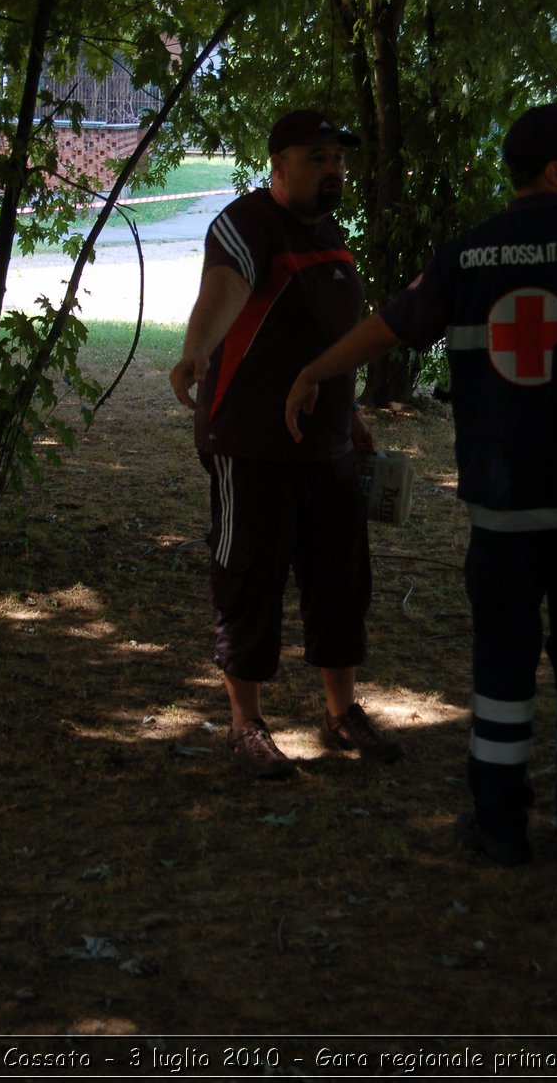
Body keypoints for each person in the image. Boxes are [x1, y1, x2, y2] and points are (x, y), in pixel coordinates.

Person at [286, 103, 557, 863]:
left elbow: (391, 324)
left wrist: (316, 369)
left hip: (505, 513)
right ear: (555, 170)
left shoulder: (465, 255)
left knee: (502, 672)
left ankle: (499, 827)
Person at [169, 109, 401, 779]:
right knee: (249, 578)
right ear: (278, 164)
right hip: (250, 442)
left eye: (337, 158)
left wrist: (349, 412)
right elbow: (224, 287)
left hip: (327, 445)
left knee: (340, 579)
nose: (332, 170)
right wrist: (194, 351)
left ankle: (341, 712)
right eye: (315, 157)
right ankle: (246, 724)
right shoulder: (247, 223)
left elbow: (332, 336)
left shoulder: (331, 234)